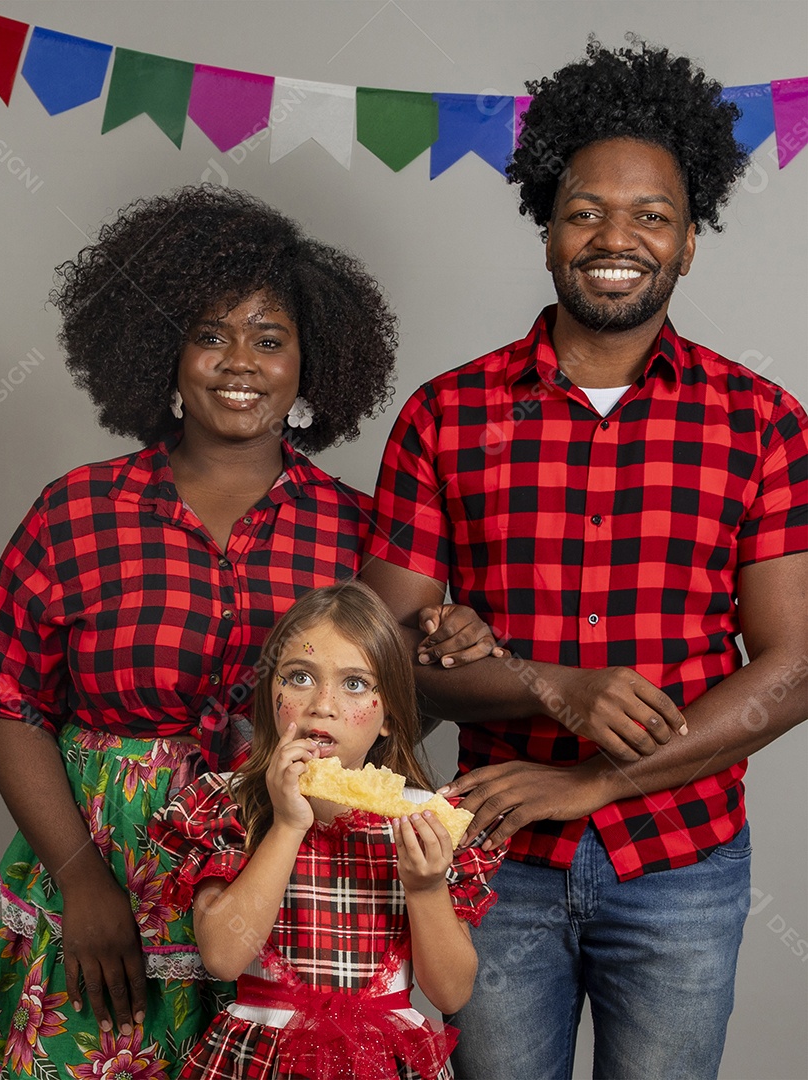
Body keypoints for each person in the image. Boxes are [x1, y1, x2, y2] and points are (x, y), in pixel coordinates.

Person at [361, 37, 808, 1080]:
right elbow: (379, 662)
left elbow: (793, 669)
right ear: (547, 232)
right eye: (584, 212)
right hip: (493, 857)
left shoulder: (762, 421)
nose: (616, 237)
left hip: (683, 859)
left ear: (688, 244)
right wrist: (548, 683)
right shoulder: (444, 413)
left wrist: (595, 782)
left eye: (651, 215)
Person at [0, 187, 486, 1079]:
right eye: (210, 335)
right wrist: (81, 877)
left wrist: (455, 633)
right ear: (161, 354)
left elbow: (392, 698)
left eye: (269, 339)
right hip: (107, 865)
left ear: (310, 365)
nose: (239, 362)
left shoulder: (360, 532)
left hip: (293, 890)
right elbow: (4, 699)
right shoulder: (76, 511)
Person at [149, 580, 506, 1080]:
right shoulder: (232, 804)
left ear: (388, 714)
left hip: (383, 1059)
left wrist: (426, 888)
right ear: (270, 696)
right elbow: (223, 958)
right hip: (263, 1056)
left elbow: (451, 993)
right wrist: (287, 824)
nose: (323, 703)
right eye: (299, 677)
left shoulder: (424, 819)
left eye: (355, 684)